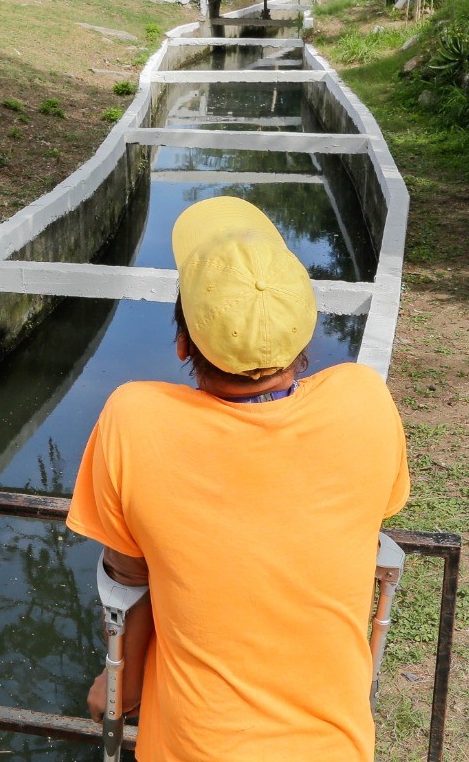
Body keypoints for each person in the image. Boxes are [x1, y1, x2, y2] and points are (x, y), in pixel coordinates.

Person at [67, 195, 411, 762]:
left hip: (196, 746)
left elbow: (128, 578)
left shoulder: (134, 418)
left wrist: (119, 687)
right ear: (303, 340)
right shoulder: (364, 401)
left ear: (182, 344)